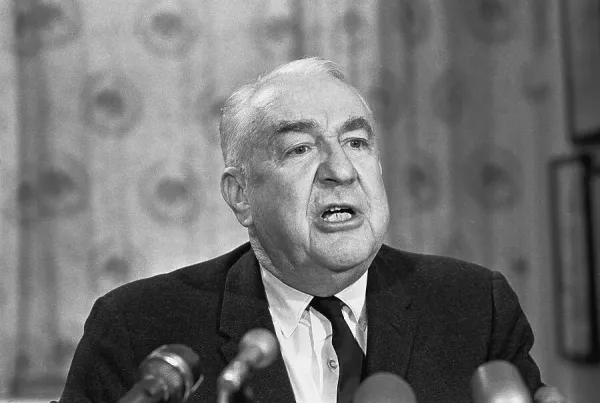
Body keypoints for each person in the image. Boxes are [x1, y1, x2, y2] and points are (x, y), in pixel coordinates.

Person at [58, 57, 566, 403]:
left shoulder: (475, 308)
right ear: (241, 195)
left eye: (357, 143)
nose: (341, 170)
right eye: (300, 149)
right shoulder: (139, 330)